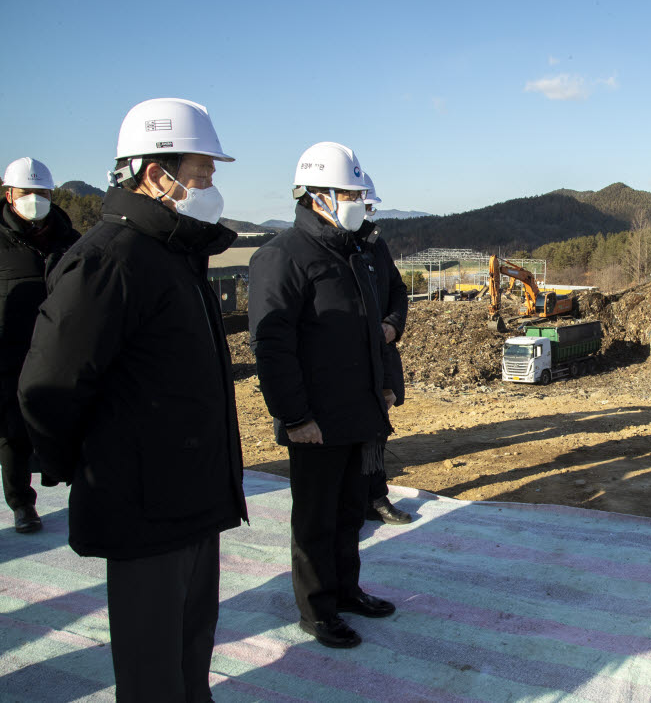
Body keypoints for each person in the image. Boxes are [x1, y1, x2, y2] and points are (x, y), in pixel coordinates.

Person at [17, 98, 248, 701]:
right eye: (201, 173)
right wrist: (84, 464)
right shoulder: (107, 260)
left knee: (191, 654)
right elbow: (49, 386)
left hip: (193, 496)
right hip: (145, 505)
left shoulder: (173, 253)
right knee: (152, 676)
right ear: (155, 174)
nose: (211, 185)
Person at [249, 142, 396, 650]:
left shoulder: (352, 252)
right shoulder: (282, 256)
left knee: (350, 513)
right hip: (314, 421)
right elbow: (273, 346)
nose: (357, 201)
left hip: (357, 413)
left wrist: (381, 391)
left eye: (359, 192)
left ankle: (346, 591)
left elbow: (368, 332)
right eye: (348, 192)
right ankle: (317, 610)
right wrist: (295, 417)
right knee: (314, 520)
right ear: (316, 196)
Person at [0, 158, 79, 533]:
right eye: (27, 192)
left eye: (42, 193)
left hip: (60, 348)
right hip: (9, 351)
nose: (35, 199)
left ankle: (79, 490)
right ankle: (21, 504)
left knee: (68, 421)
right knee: (13, 431)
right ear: (9, 195)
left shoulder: (69, 239)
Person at [360, 171, 411, 525]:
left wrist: (392, 323)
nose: (366, 214)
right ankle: (352, 500)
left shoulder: (375, 245)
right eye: (361, 206)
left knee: (376, 429)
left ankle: (376, 496)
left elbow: (397, 289)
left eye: (368, 208)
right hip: (344, 364)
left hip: (378, 356)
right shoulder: (313, 252)